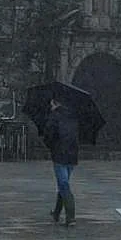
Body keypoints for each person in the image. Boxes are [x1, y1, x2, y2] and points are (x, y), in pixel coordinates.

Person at [43, 96, 79, 227]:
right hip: (72, 156)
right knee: (63, 183)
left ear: (54, 103)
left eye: (51, 104)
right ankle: (56, 213)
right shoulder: (73, 116)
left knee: (64, 185)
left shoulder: (54, 116)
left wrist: (51, 147)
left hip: (59, 155)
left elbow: (48, 136)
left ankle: (71, 217)